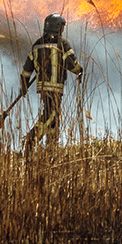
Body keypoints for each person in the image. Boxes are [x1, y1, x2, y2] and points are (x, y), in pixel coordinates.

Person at [20, 13, 84, 159]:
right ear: (58, 28)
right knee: (51, 115)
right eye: (61, 27)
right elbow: (71, 63)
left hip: (42, 88)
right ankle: (31, 138)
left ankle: (51, 149)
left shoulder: (37, 44)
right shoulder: (62, 43)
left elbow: (26, 69)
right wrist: (79, 70)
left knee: (54, 118)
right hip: (55, 88)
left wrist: (23, 85)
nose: (62, 30)